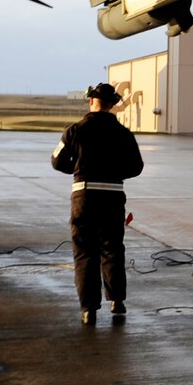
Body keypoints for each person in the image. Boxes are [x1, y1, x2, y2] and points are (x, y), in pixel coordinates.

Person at [52, 83, 143, 326]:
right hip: (112, 197)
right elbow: (137, 167)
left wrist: (79, 170)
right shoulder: (124, 133)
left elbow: (56, 160)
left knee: (84, 252)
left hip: (84, 196)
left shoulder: (75, 130)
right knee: (112, 248)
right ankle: (117, 301)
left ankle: (88, 309)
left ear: (91, 102)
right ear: (112, 105)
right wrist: (113, 173)